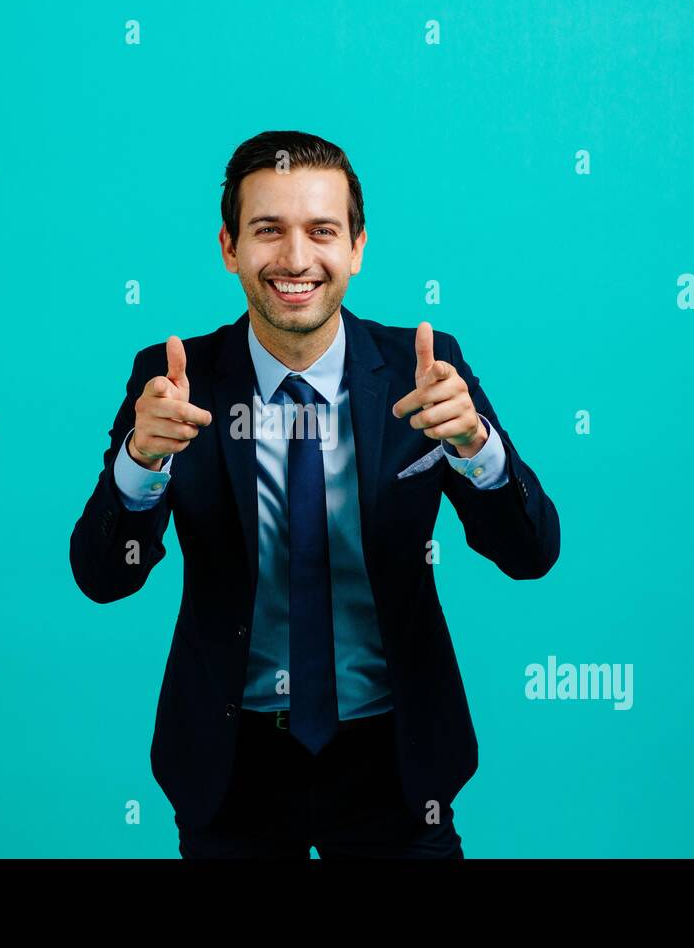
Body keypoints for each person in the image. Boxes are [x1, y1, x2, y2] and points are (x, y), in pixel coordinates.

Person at [70, 130, 560, 857]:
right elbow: (103, 577)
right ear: (229, 248)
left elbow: (531, 553)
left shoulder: (422, 370)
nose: (296, 260)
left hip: (394, 763)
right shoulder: (176, 381)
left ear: (357, 248)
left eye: (321, 231)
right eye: (268, 231)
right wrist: (141, 461)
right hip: (232, 766)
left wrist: (476, 448)